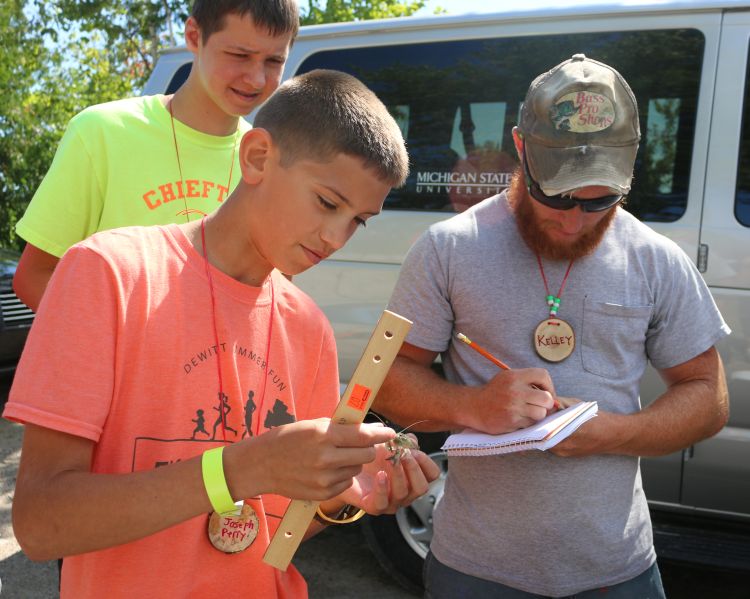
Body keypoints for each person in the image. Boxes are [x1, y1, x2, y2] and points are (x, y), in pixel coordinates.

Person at [4, 69, 440, 598]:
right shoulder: (109, 273)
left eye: (359, 221)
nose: (335, 237)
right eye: (327, 203)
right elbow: (41, 524)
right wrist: (238, 469)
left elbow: (277, 527)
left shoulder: (309, 328)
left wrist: (341, 495)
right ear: (257, 156)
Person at [374, 54, 730, 598]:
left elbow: (708, 396)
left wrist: (611, 434)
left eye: (600, 200)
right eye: (555, 194)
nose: (572, 220)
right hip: (475, 570)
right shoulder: (449, 249)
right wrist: (474, 406)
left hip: (617, 569)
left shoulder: (655, 259)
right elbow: (388, 378)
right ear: (521, 148)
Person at [13, 0, 300, 312]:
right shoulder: (102, 132)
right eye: (239, 55)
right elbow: (36, 277)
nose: (256, 79)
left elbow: (274, 296)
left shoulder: (273, 164)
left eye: (274, 61)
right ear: (194, 36)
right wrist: (114, 352)